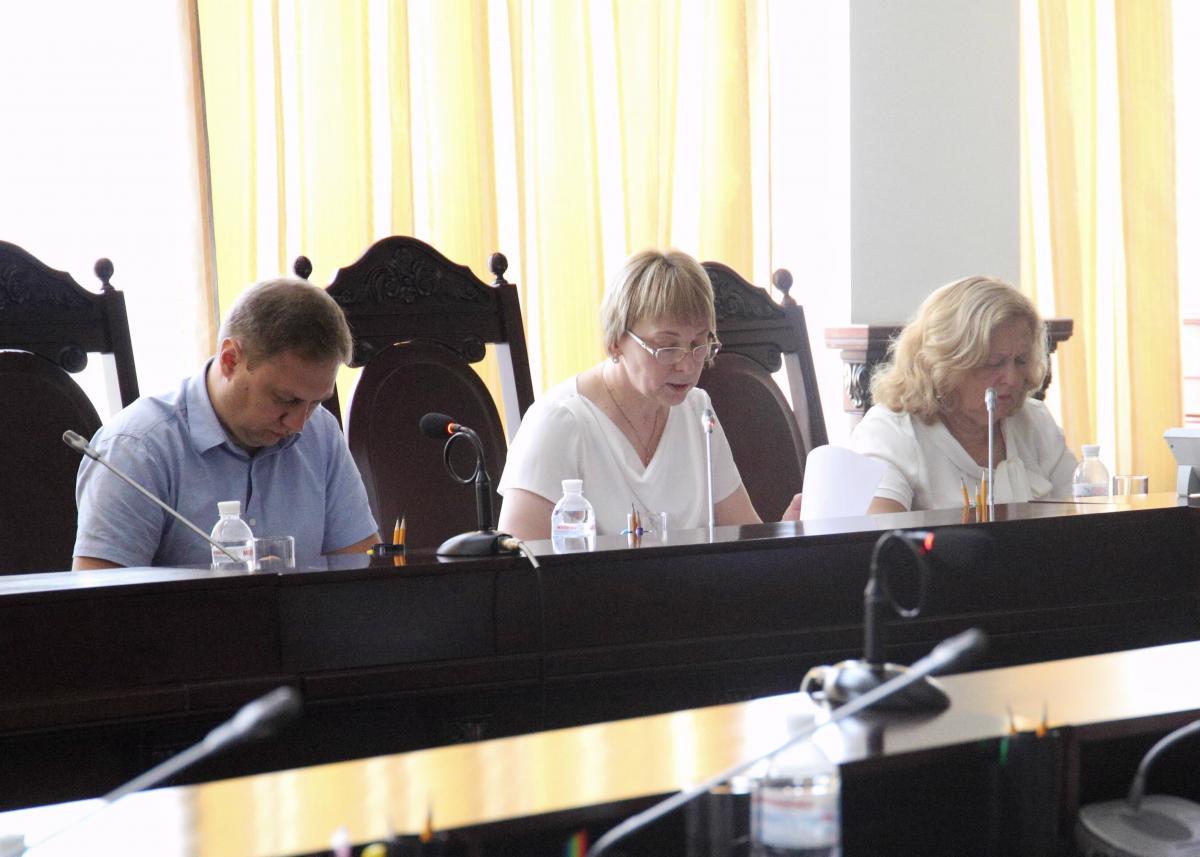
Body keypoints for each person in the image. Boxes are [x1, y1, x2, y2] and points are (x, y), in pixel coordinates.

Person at [73, 278, 380, 569]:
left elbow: (360, 575)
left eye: (316, 403)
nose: (299, 424)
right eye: (286, 399)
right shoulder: (136, 449)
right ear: (230, 360)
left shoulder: (321, 433)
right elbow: (101, 600)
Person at [498, 249, 796, 540]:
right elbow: (520, 560)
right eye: (667, 347)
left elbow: (745, 540)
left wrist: (786, 536)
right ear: (616, 341)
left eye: (698, 344)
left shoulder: (697, 411)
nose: (687, 365)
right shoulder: (558, 422)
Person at [850, 275, 1077, 514]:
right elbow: (879, 532)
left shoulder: (1035, 422)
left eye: (1020, 361)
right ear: (945, 363)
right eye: (993, 363)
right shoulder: (890, 431)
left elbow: (1082, 516)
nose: (1011, 379)